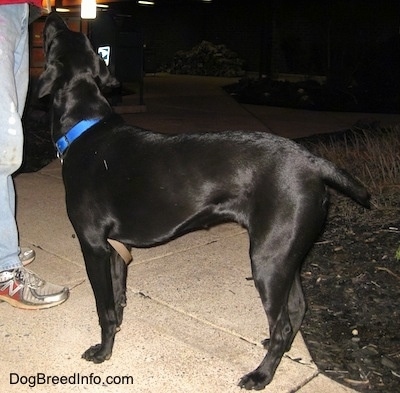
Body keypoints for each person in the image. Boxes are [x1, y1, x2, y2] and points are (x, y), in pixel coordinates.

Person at [0, 1, 69, 309]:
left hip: (20, 9)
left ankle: (3, 246)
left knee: (8, 139)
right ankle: (4, 267)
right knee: (2, 145)